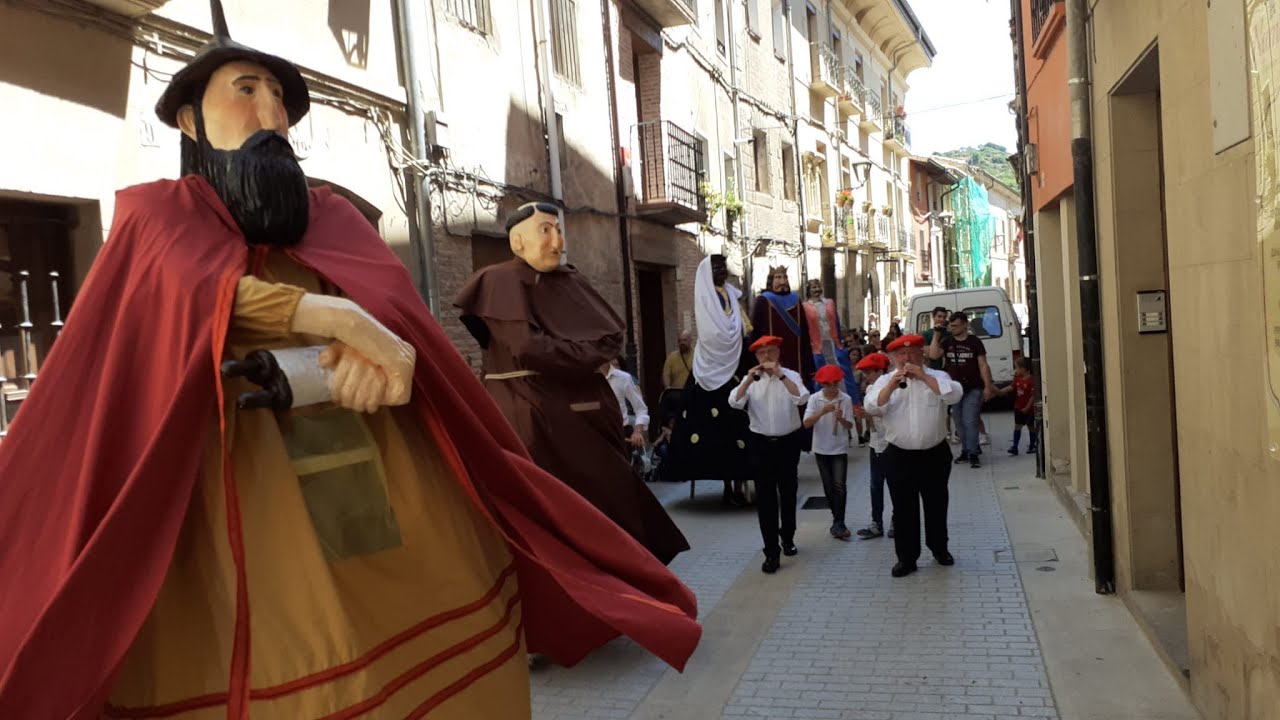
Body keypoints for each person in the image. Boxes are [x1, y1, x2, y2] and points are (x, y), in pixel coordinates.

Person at [0, 5, 700, 718]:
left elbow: (402, 333)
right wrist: (333, 318)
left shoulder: (333, 219)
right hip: (220, 501)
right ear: (188, 121)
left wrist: (373, 362)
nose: (271, 114)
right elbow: (181, 295)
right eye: (246, 91)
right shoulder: (156, 217)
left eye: (280, 98)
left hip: (364, 477)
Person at [456, 202, 689, 565]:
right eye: (545, 230)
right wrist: (586, 355)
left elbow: (610, 339)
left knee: (615, 501)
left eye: (559, 230)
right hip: (534, 416)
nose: (557, 240)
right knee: (559, 514)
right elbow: (528, 348)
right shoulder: (499, 282)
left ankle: (627, 575)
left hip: (590, 417)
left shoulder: (571, 280)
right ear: (517, 242)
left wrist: (581, 355)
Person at [864, 334, 964, 578]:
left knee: (936, 504)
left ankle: (939, 549)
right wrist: (891, 386)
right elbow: (871, 406)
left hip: (934, 453)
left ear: (922, 354)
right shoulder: (885, 380)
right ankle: (907, 558)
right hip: (899, 456)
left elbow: (954, 395)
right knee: (903, 509)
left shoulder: (938, 376)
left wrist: (924, 378)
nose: (907, 358)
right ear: (893, 358)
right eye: (901, 354)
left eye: (912, 353)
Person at [663, 255, 754, 504]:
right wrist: (728, 339)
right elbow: (711, 331)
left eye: (723, 267)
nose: (722, 271)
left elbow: (743, 325)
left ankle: (741, 483)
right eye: (716, 268)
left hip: (736, 361)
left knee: (742, 422)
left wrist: (741, 337)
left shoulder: (731, 295)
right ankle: (727, 485)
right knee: (714, 427)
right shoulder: (705, 297)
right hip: (712, 365)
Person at [729, 336, 811, 573]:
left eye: (771, 352)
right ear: (756, 357)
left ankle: (788, 536)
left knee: (788, 493)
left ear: (778, 353)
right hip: (761, 444)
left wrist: (780, 376)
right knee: (765, 499)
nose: (766, 357)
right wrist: (747, 380)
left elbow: (802, 397)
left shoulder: (791, 375)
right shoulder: (752, 379)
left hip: (787, 442)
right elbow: (734, 402)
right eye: (762, 353)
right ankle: (771, 552)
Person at [940, 311, 997, 468]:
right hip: (954, 389)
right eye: (951, 326)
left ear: (965, 325)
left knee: (970, 420)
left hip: (973, 387)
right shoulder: (947, 341)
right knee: (958, 422)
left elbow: (983, 365)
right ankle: (966, 450)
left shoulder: (975, 342)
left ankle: (973, 453)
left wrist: (988, 386)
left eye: (956, 326)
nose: (953, 329)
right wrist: (937, 334)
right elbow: (933, 354)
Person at [803, 364, 854, 540]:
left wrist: (841, 418)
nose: (833, 388)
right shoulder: (815, 399)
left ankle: (839, 522)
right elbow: (806, 423)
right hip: (820, 448)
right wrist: (821, 412)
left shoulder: (845, 399)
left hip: (839, 448)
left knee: (840, 486)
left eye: (835, 384)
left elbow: (850, 426)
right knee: (828, 487)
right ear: (822, 384)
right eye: (829, 385)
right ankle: (836, 519)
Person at [750, 266, 815, 387]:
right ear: (771, 281)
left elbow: (804, 332)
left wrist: (809, 363)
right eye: (778, 278)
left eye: (785, 277)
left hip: (796, 355)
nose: (783, 281)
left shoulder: (795, 300)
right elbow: (755, 332)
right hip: (771, 351)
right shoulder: (763, 300)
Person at [852, 352, 893, 539]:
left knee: (895, 484)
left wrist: (872, 414)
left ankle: (896, 521)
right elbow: (873, 421)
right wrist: (866, 416)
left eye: (869, 372)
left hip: (892, 442)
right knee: (876, 485)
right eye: (865, 373)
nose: (866, 377)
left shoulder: (893, 387)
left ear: (880, 371)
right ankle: (876, 522)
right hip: (876, 443)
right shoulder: (870, 390)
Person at [604, 356, 649, 449]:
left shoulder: (624, 377)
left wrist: (637, 431)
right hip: (596, 435)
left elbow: (640, 408)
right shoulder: (587, 378)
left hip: (620, 432)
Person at [1000, 357, 1038, 455]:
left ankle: (1032, 445)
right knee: (1017, 426)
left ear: (1023, 368)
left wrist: (1028, 407)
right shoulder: (1017, 378)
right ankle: (1015, 446)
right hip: (1018, 406)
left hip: (1029, 409)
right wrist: (999, 392)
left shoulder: (1031, 380)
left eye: (1016, 367)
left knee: (1031, 426)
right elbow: (1012, 387)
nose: (1015, 370)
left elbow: (1033, 396)